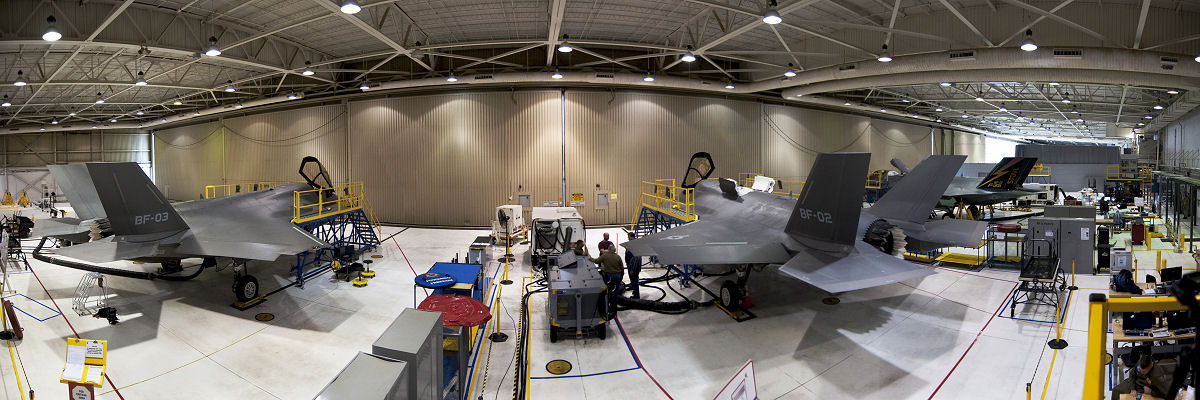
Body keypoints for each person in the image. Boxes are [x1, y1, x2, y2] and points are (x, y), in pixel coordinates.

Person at [590, 246, 624, 318]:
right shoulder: (618, 257)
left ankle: (608, 308)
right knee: (615, 293)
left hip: (609, 277)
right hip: (617, 276)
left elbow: (596, 261)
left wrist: (590, 258)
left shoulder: (605, 256)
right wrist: (621, 276)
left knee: (608, 292)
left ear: (608, 250)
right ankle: (614, 309)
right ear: (614, 250)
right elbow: (622, 268)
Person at [623, 232, 641, 298]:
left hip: (633, 267)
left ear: (631, 237)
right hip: (630, 265)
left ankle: (636, 295)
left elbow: (636, 259)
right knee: (633, 280)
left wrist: (633, 269)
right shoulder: (632, 244)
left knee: (634, 280)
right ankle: (635, 291)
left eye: (629, 237)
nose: (628, 238)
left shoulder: (635, 245)